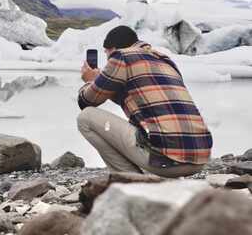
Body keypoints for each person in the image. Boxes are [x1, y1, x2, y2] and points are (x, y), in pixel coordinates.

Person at [77, 25, 212, 177]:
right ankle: (159, 180)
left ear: (112, 49)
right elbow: (138, 100)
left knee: (86, 117)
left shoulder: (121, 56)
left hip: (166, 161)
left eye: (106, 52)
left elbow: (86, 101)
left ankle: (131, 181)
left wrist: (90, 81)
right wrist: (105, 85)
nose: (108, 57)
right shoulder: (165, 60)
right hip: (199, 158)